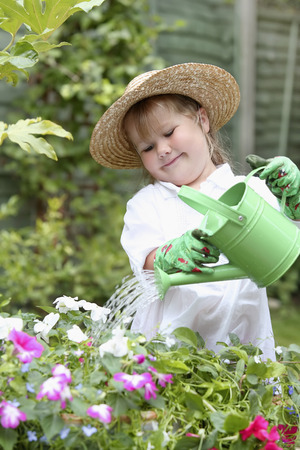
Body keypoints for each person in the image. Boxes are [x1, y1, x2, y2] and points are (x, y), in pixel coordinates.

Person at [90, 63, 300, 361]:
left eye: (169, 132)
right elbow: (146, 262)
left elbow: (289, 233)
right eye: (148, 147)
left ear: (202, 120)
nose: (162, 149)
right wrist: (171, 254)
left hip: (245, 351)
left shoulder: (247, 191)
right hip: (172, 352)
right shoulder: (147, 203)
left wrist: (292, 198)